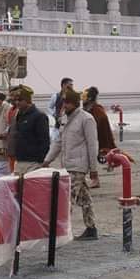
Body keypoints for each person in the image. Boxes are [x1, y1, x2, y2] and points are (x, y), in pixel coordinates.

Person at [40, 88, 100, 240]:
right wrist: (47, 160)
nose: (64, 106)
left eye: (67, 103)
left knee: (66, 201)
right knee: (85, 199)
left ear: (75, 103)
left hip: (79, 167)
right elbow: (58, 142)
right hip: (67, 165)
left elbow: (93, 145)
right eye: (63, 103)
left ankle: (60, 233)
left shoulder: (86, 119)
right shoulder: (64, 119)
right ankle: (91, 228)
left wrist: (94, 169)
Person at [10, 85, 50, 171]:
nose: (17, 103)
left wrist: (40, 161)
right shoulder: (19, 115)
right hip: (19, 161)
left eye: (20, 100)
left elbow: (45, 142)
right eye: (16, 100)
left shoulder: (39, 116)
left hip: (33, 163)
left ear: (28, 100)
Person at [82, 86, 117, 184]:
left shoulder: (98, 110)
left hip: (95, 139)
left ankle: (95, 179)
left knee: (90, 160)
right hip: (88, 139)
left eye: (84, 97)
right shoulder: (88, 109)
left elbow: (101, 126)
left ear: (89, 98)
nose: (82, 99)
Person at [48, 77, 73, 143]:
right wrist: (54, 114)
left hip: (70, 127)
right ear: (63, 85)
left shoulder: (73, 97)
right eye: (70, 84)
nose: (72, 86)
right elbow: (49, 107)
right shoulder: (55, 96)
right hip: (57, 127)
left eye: (72, 85)